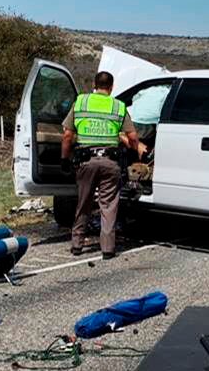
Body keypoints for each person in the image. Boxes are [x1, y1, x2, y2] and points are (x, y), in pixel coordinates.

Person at [61, 71, 147, 258]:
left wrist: (64, 158)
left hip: (86, 160)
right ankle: (107, 249)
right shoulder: (118, 106)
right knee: (108, 205)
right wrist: (134, 153)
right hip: (110, 162)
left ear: (95, 84)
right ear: (111, 87)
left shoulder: (81, 102)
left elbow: (67, 135)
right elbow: (132, 137)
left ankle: (77, 245)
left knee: (84, 203)